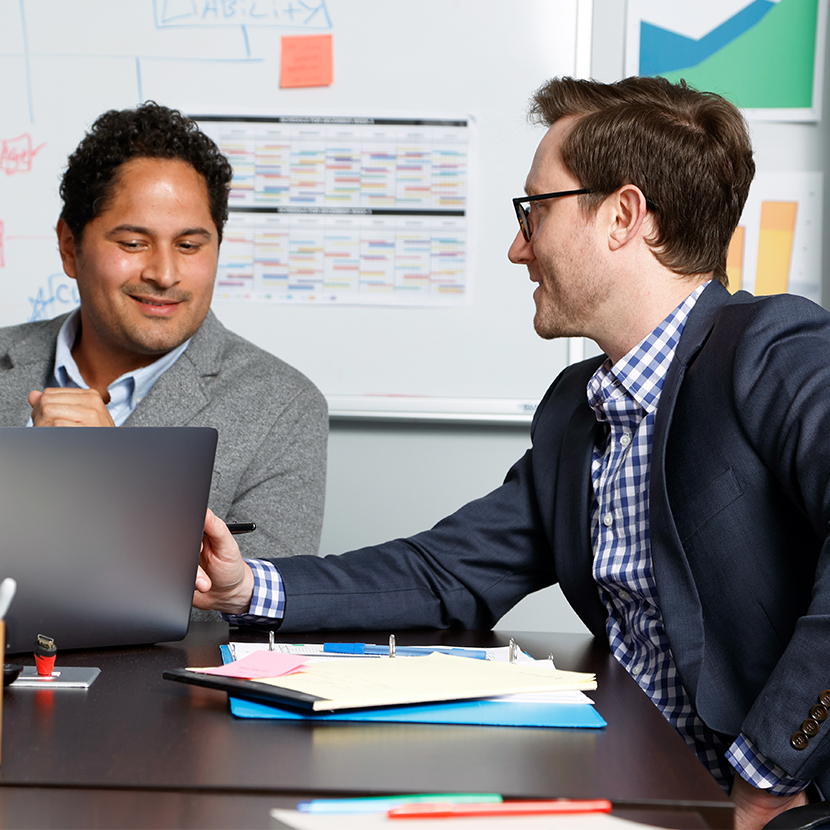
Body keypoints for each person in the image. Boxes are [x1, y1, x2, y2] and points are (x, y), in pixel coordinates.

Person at [193, 76, 830, 828]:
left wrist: (766, 776)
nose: (517, 247)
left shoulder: (776, 351)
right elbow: (446, 573)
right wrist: (245, 589)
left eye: (534, 211)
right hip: (632, 782)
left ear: (623, 217)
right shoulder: (576, 412)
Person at [0, 102, 328, 577]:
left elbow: (255, 611)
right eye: (133, 243)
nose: (165, 274)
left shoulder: (283, 407)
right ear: (70, 246)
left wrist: (114, 478)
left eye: (190, 245)